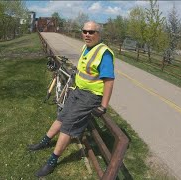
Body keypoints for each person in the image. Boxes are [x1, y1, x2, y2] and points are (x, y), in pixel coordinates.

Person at [28, 21, 115, 177]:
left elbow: (109, 80)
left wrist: (103, 106)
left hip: (90, 96)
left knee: (68, 126)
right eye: (85, 31)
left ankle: (52, 161)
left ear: (98, 34)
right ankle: (44, 141)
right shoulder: (85, 47)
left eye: (91, 32)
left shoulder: (104, 53)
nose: (87, 34)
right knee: (62, 117)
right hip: (77, 90)